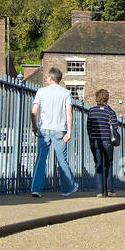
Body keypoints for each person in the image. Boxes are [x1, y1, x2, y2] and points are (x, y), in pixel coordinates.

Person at [30, 67, 77, 198]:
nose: (46, 79)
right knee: (62, 160)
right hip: (59, 129)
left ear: (51, 78)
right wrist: (69, 131)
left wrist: (34, 127)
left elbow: (33, 112)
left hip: (44, 128)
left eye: (47, 77)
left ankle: (36, 189)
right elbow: (69, 113)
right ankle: (67, 188)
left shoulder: (41, 91)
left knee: (41, 158)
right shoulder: (66, 93)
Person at [86, 88, 120, 198]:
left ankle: (99, 192)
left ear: (96, 98)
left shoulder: (91, 111)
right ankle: (109, 190)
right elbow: (115, 126)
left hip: (95, 141)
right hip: (107, 142)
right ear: (107, 98)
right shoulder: (110, 112)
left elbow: (89, 127)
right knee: (108, 164)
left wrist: (91, 139)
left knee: (98, 165)